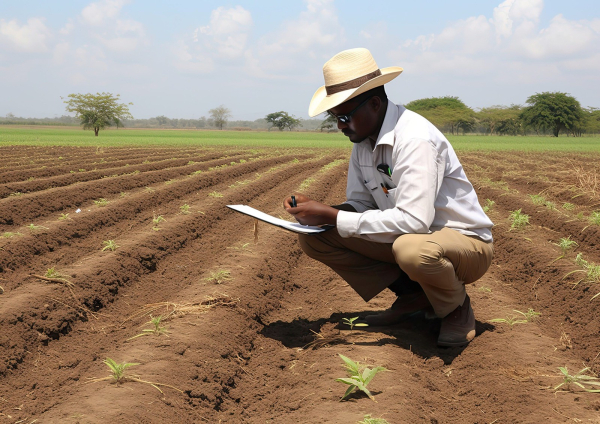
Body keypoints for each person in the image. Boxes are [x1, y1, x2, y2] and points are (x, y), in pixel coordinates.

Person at [283, 48, 494, 347]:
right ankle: (415, 297)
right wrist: (319, 213)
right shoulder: (364, 141)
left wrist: (333, 215)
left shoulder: (415, 139)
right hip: (412, 237)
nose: (341, 126)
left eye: (344, 117)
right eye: (335, 118)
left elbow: (415, 221)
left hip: (464, 244)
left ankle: (455, 309)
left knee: (412, 249)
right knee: (317, 236)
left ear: (374, 103)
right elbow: (361, 204)